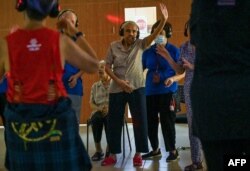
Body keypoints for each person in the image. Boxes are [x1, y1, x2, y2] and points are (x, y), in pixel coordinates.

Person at [0, 0, 98, 171]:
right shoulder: (59, 40)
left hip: (20, 121)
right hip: (57, 119)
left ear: (21, 6)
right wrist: (74, 31)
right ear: (52, 10)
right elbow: (94, 65)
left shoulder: (7, 43)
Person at [101, 2, 169, 167]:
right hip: (117, 88)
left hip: (137, 88)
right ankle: (113, 155)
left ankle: (138, 154)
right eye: (129, 31)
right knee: (114, 122)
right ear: (122, 32)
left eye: (135, 31)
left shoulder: (141, 44)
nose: (132, 33)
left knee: (140, 121)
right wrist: (118, 81)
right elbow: (106, 66)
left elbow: (154, 36)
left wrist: (163, 20)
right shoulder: (113, 46)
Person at [189, 1, 250, 170]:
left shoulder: (203, 5)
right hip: (242, 96)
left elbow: (196, 40)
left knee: (225, 164)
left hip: (212, 102)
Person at [160, 21, 203, 170]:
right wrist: (168, 57)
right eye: (190, 28)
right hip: (190, 90)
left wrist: (192, 66)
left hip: (209, 91)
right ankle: (196, 162)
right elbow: (179, 71)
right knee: (193, 127)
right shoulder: (184, 47)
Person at [141, 21, 180, 162]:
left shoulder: (174, 50)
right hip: (150, 91)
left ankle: (172, 151)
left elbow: (181, 72)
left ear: (168, 35)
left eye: (161, 34)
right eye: (155, 33)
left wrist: (172, 78)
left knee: (166, 122)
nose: (158, 36)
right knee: (150, 122)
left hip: (168, 91)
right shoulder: (147, 52)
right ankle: (155, 149)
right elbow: (139, 69)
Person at [58, 9, 85, 124]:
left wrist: (77, 76)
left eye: (72, 21)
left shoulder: (80, 41)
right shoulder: (51, 39)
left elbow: (87, 64)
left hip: (73, 88)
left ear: (76, 24)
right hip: (54, 90)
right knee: (56, 127)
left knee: (73, 123)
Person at [89, 60, 110, 161]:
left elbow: (120, 102)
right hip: (98, 110)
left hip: (112, 110)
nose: (99, 72)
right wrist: (99, 108)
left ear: (108, 70)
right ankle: (99, 150)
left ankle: (110, 149)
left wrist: (109, 108)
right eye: (98, 70)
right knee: (96, 119)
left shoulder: (115, 84)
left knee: (109, 118)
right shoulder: (95, 86)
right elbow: (91, 103)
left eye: (101, 69)